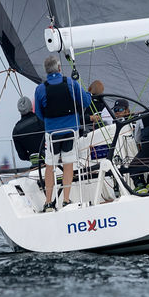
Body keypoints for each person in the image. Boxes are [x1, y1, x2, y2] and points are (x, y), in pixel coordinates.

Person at [34, 55, 93, 211]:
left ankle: (48, 202)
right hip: (70, 131)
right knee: (68, 164)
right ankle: (66, 200)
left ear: (46, 71)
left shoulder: (40, 89)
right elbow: (86, 102)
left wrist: (51, 122)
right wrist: (87, 93)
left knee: (50, 166)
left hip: (52, 133)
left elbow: (39, 113)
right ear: (59, 68)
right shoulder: (71, 83)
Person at [11, 96, 45, 165]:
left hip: (35, 164)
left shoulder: (16, 130)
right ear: (31, 107)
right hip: (51, 160)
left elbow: (22, 156)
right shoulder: (41, 120)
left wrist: (31, 156)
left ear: (19, 110)